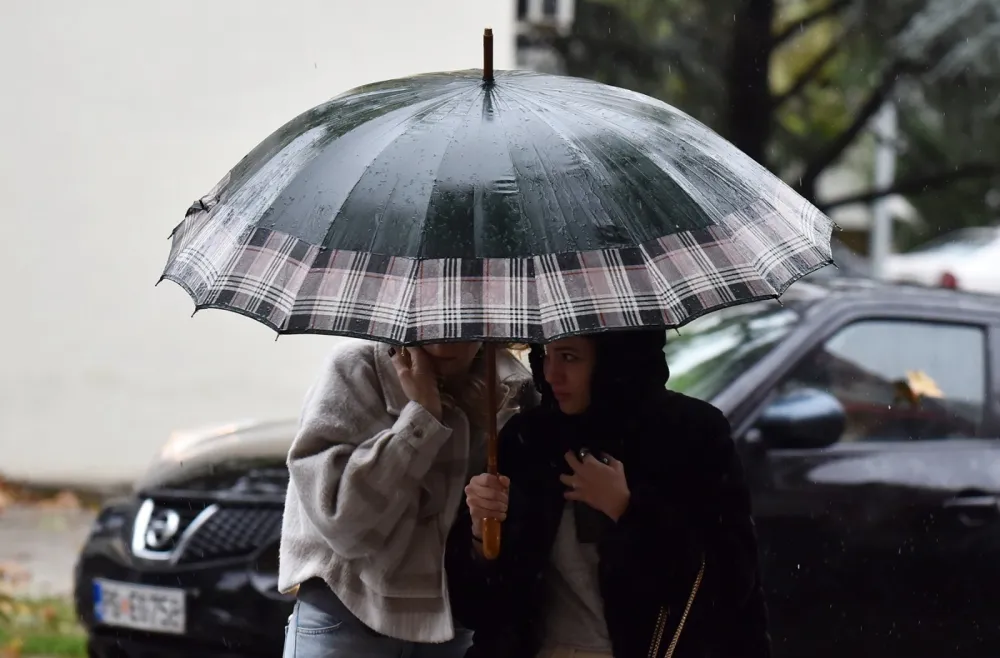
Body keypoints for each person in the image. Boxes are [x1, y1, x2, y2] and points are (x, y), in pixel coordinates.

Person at [446, 330, 771, 658]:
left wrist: (627, 510)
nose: (551, 373)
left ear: (614, 361)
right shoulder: (529, 439)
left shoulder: (689, 433)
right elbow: (479, 609)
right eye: (546, 354)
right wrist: (481, 534)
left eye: (569, 357)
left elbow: (729, 583)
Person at [278, 338, 534, 658]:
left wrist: (484, 529)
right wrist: (421, 418)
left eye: (458, 330)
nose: (442, 345)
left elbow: (518, 542)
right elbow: (345, 524)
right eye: (430, 328)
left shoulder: (510, 390)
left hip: (449, 620)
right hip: (349, 612)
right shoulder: (357, 369)